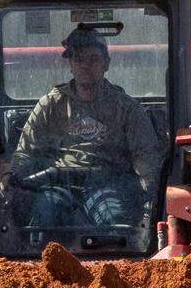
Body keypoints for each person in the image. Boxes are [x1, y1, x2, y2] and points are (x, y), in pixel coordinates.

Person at [11, 26, 164, 233]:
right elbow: (25, 152)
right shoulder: (50, 106)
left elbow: (145, 155)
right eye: (79, 59)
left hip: (108, 183)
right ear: (71, 65)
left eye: (93, 59)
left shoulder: (126, 108)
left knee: (116, 223)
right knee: (45, 217)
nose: (85, 66)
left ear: (106, 64)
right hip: (59, 182)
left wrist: (149, 189)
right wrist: (11, 181)